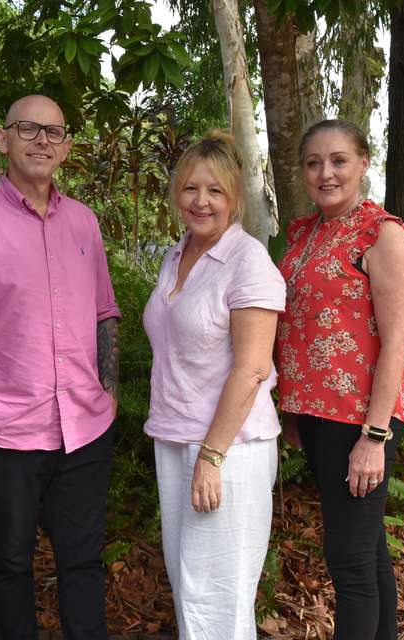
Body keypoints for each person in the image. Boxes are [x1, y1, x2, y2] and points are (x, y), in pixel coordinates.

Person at [0, 94, 120, 640]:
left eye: (54, 132)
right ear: (1, 138)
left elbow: (106, 312)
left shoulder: (84, 222)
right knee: (11, 567)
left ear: (66, 146)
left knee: (82, 565)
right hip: (7, 431)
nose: (42, 141)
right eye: (29, 129)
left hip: (84, 430)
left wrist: (109, 393)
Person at [276, 119, 404, 640]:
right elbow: (299, 324)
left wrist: (374, 436)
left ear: (363, 163)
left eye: (338, 160)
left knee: (350, 561)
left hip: (358, 420)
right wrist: (293, 409)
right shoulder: (304, 233)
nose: (325, 172)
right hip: (315, 417)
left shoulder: (382, 235)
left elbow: (397, 343)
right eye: (314, 162)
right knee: (368, 551)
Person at [142, 130, 286, 640]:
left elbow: (251, 369)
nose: (201, 202)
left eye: (215, 192)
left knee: (219, 595)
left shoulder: (249, 262)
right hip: (175, 438)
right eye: (190, 189)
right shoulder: (175, 254)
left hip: (229, 448)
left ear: (235, 198)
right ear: (176, 194)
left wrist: (212, 455)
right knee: (188, 584)